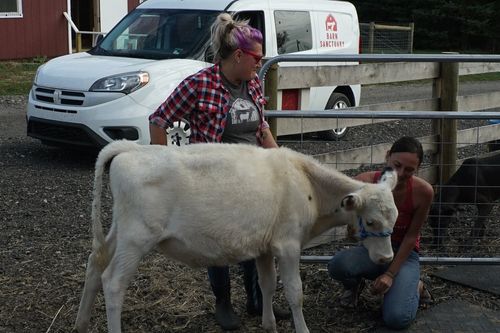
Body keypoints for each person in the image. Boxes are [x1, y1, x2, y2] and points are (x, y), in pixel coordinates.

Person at [148, 13, 282, 330]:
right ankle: (223, 304)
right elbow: (158, 121)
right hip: (213, 182)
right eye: (257, 58)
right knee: (219, 244)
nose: (259, 64)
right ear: (239, 55)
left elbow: (261, 127)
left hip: (254, 179)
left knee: (258, 240)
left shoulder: (253, 84)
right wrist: (168, 166)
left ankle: (257, 301)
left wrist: (282, 162)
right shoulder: (199, 84)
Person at [327, 136, 434, 330]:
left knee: (396, 318)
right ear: (387, 157)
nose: (401, 173)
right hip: (373, 249)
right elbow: (350, 224)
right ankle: (354, 286)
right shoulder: (363, 184)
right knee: (337, 266)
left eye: (409, 170)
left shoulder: (423, 192)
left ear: (417, 169)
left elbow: (412, 237)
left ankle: (415, 287)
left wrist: (391, 274)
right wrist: (353, 229)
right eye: (397, 165)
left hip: (404, 252)